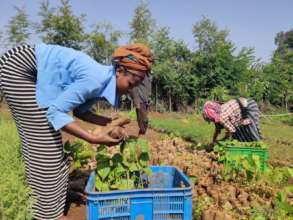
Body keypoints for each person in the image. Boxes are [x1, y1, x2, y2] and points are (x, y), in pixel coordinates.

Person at [0, 43, 153, 220]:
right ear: (119, 71)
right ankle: (48, 215)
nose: (129, 90)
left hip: (32, 68)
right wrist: (93, 138)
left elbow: (80, 112)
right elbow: (55, 113)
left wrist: (111, 122)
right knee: (43, 146)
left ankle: (57, 198)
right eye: (130, 84)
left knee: (53, 143)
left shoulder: (102, 82)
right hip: (19, 67)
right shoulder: (95, 80)